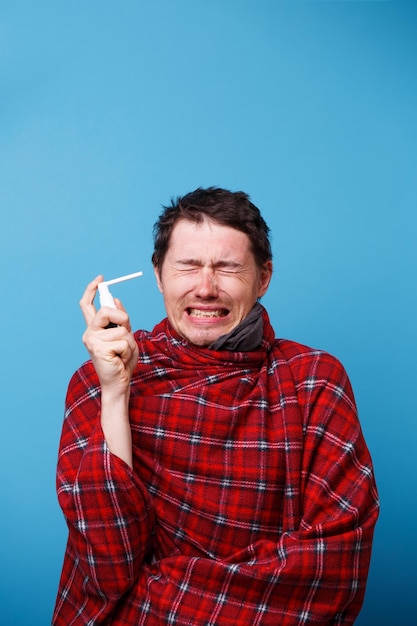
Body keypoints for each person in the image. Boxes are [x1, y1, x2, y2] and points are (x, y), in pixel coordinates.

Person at [53, 187, 379, 625]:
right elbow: (106, 566)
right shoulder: (98, 378)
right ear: (158, 274)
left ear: (263, 278)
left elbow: (331, 567)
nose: (205, 288)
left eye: (228, 268)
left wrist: (151, 594)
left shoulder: (313, 381)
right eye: (188, 266)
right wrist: (115, 394)